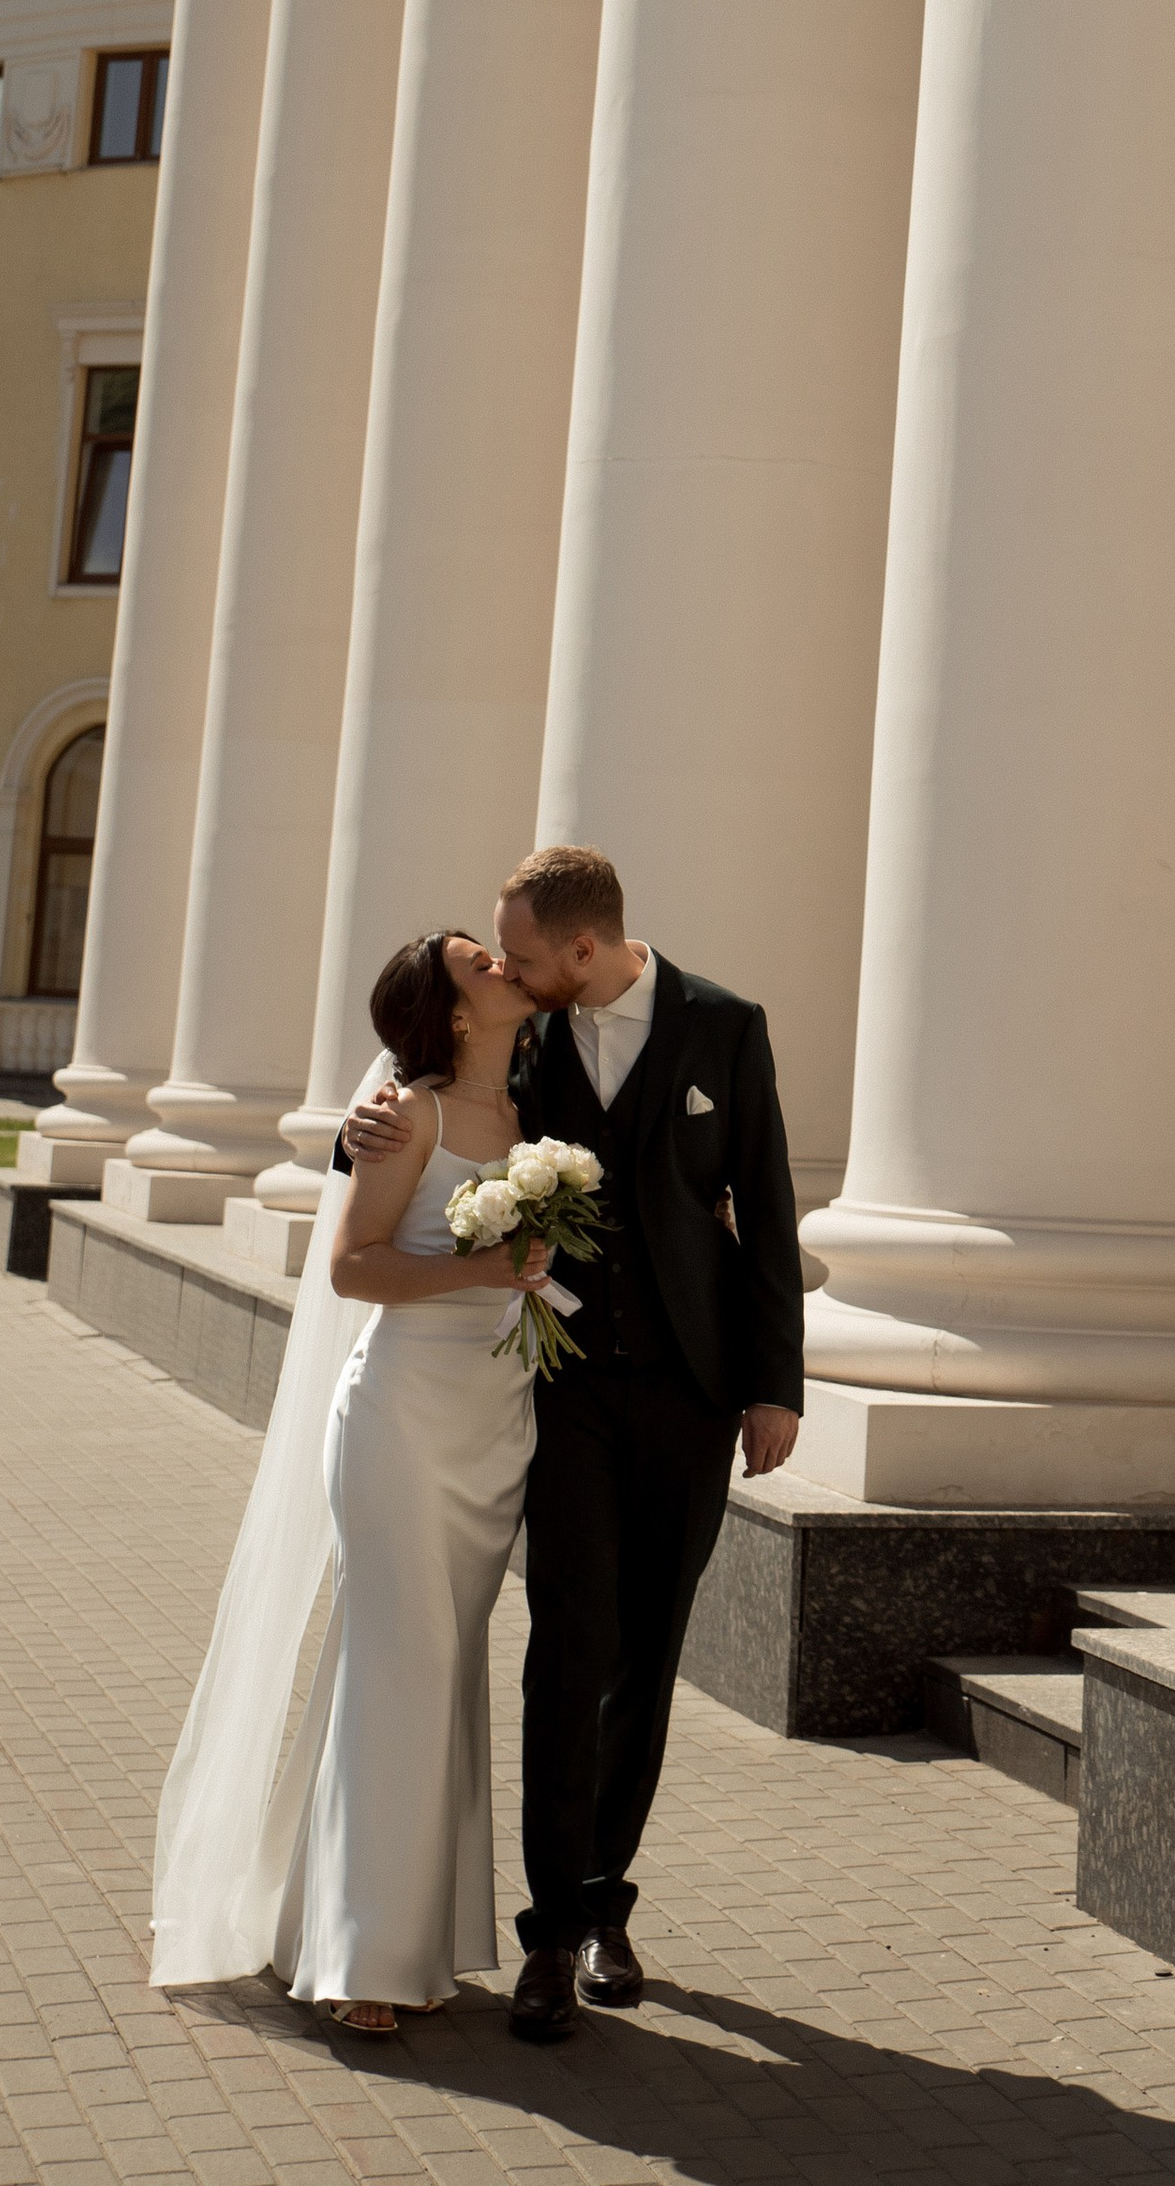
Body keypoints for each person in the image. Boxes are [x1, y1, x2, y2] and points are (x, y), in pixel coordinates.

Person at [341, 843, 805, 2044]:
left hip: (695, 1390)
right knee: (569, 1643)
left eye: (523, 951)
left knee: (648, 1648)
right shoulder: (525, 1034)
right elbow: (433, 1094)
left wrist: (774, 1388)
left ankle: (606, 1904)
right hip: (562, 1387)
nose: (508, 969)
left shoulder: (726, 1028)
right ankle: (549, 1935)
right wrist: (355, 1127)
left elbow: (765, 1206)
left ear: (584, 948)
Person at [150, 930, 550, 2031]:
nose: (502, 964)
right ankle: (360, 1961)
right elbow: (351, 1266)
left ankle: (368, 1929)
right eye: (477, 962)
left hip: (493, 1428)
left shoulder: (534, 1113)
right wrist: (488, 1266)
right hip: (401, 1419)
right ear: (452, 1011)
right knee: (396, 1670)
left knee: (435, 1671)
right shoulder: (404, 1115)